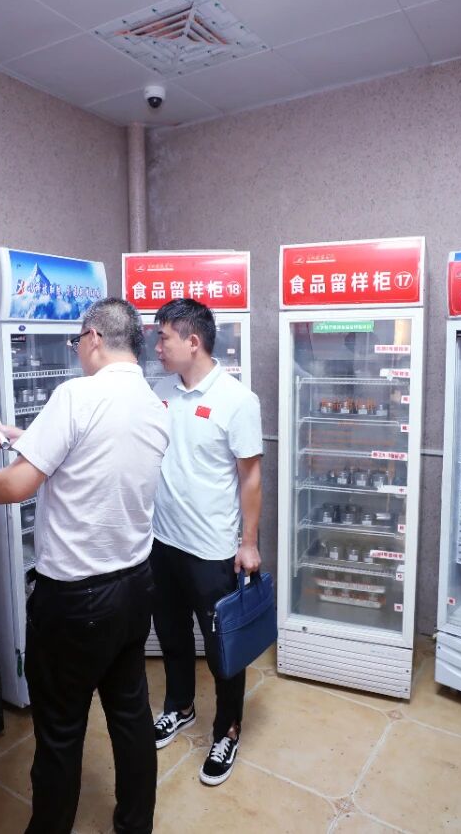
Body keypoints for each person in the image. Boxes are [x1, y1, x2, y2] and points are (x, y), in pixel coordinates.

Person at [0, 298, 169, 834]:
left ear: (94, 338)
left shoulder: (76, 395)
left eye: (78, 341)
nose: (78, 350)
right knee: (131, 718)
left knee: (60, 731)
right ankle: (135, 826)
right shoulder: (155, 403)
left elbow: (16, 486)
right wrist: (29, 440)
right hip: (135, 587)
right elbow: (99, 459)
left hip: (76, 601)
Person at [145, 298, 262, 786]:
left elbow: (250, 477)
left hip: (212, 550)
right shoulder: (160, 390)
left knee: (221, 648)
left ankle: (227, 729)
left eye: (164, 337)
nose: (157, 347)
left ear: (193, 341)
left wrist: (248, 542)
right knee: (171, 634)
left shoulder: (238, 400)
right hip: (161, 540)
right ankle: (180, 706)